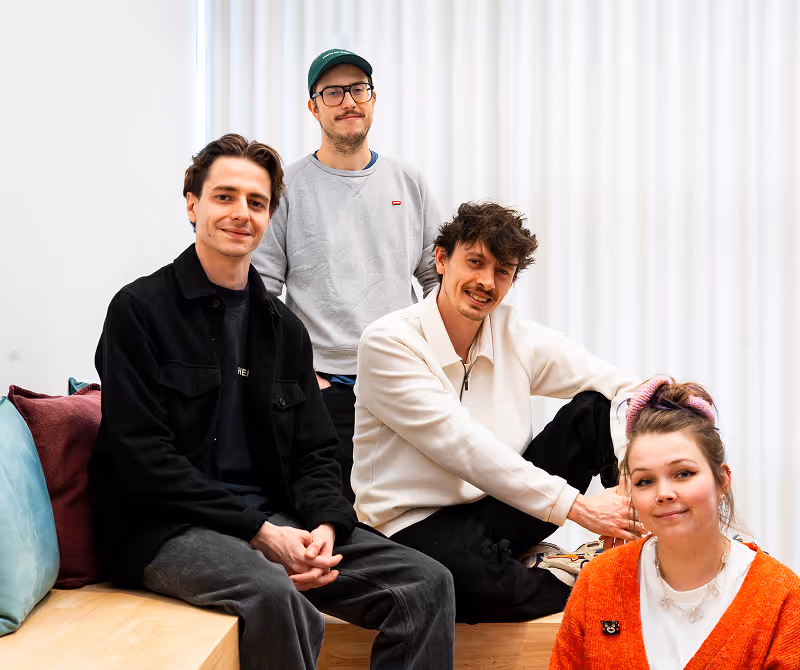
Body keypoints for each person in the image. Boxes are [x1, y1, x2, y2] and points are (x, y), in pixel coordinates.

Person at [89, 134, 455, 670]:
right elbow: (141, 458)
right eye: (224, 197)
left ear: (269, 218)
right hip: (165, 527)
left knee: (426, 585)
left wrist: (326, 529)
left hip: (274, 520)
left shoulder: (284, 329)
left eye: (256, 203)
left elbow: (315, 454)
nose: (241, 214)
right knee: (274, 596)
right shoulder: (140, 310)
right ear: (191, 204)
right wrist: (261, 535)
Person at [352, 200, 644, 623]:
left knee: (599, 406)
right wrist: (582, 509)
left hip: (498, 506)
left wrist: (671, 411)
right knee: (481, 590)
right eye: (475, 262)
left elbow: (617, 384)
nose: (486, 282)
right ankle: (585, 575)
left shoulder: (512, 332)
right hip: (412, 526)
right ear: (441, 259)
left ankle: (632, 543)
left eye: (502, 271)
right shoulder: (388, 342)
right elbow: (464, 447)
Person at [253, 49, 442, 501]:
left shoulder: (407, 181)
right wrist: (301, 375)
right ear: (313, 106)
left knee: (409, 514)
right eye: (333, 92)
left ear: (373, 99)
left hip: (400, 381)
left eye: (358, 89)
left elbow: (437, 279)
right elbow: (260, 291)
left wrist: (437, 366)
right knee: (338, 521)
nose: (348, 101)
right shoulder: (288, 187)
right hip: (323, 388)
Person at [550, 377, 800, 669]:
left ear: (722, 480)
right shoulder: (597, 585)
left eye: (683, 473)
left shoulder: (781, 598)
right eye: (645, 481)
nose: (664, 494)